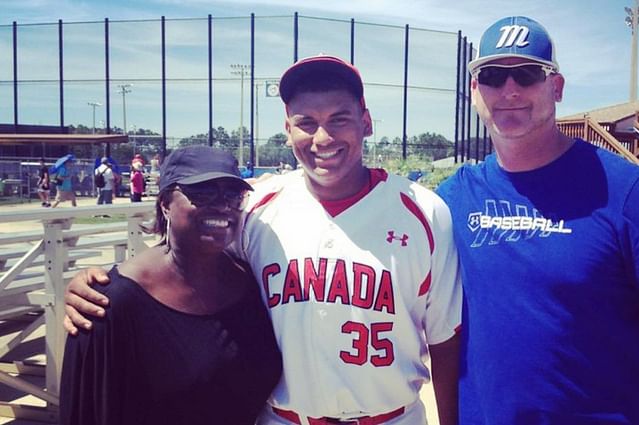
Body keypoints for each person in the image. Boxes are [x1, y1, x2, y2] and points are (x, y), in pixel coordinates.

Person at [63, 55, 462, 425]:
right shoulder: (255, 209)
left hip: (392, 417)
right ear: (288, 130)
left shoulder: (424, 212)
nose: (322, 138)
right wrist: (106, 284)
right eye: (306, 122)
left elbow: (445, 340)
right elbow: (186, 260)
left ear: (367, 122)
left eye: (340, 119)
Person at [435, 16, 639, 424]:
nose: (509, 89)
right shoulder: (450, 200)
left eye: (526, 74)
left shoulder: (626, 192)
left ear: (556, 87)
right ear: (475, 90)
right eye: (492, 75)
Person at [59, 146, 282, 425]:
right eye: (202, 193)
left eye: (233, 195)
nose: (222, 205)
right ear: (165, 203)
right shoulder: (108, 303)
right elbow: (86, 412)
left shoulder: (249, 282)